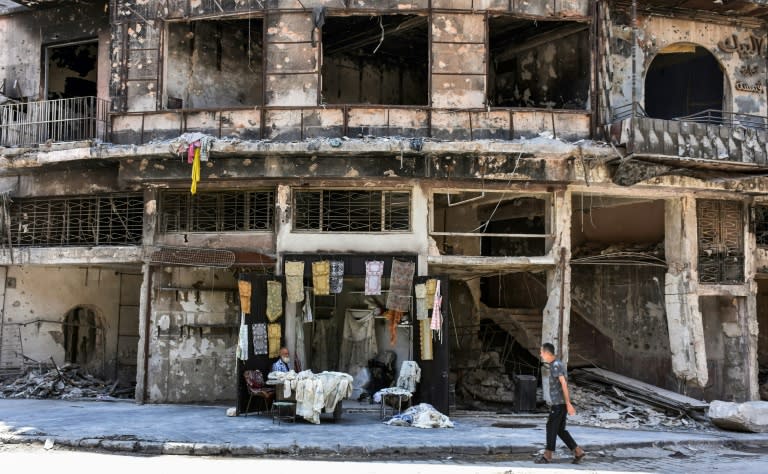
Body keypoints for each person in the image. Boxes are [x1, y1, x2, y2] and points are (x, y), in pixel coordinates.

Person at [535, 342, 586, 464]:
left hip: (559, 404)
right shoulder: (555, 364)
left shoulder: (556, 365)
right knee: (560, 430)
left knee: (551, 427)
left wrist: (568, 404)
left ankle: (547, 456)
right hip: (560, 404)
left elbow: (563, 383)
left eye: (541, 352)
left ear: (547, 353)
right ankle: (578, 451)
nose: (540, 355)